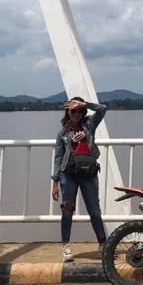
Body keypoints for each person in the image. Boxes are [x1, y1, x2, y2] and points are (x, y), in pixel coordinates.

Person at [51, 96, 108, 262]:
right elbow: (58, 157)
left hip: (88, 173)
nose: (76, 114)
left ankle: (102, 244)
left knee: (94, 210)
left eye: (80, 111)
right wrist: (55, 182)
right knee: (67, 210)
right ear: (67, 112)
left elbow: (103, 109)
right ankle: (66, 245)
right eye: (73, 110)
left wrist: (84, 104)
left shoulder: (89, 124)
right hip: (68, 175)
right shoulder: (62, 133)